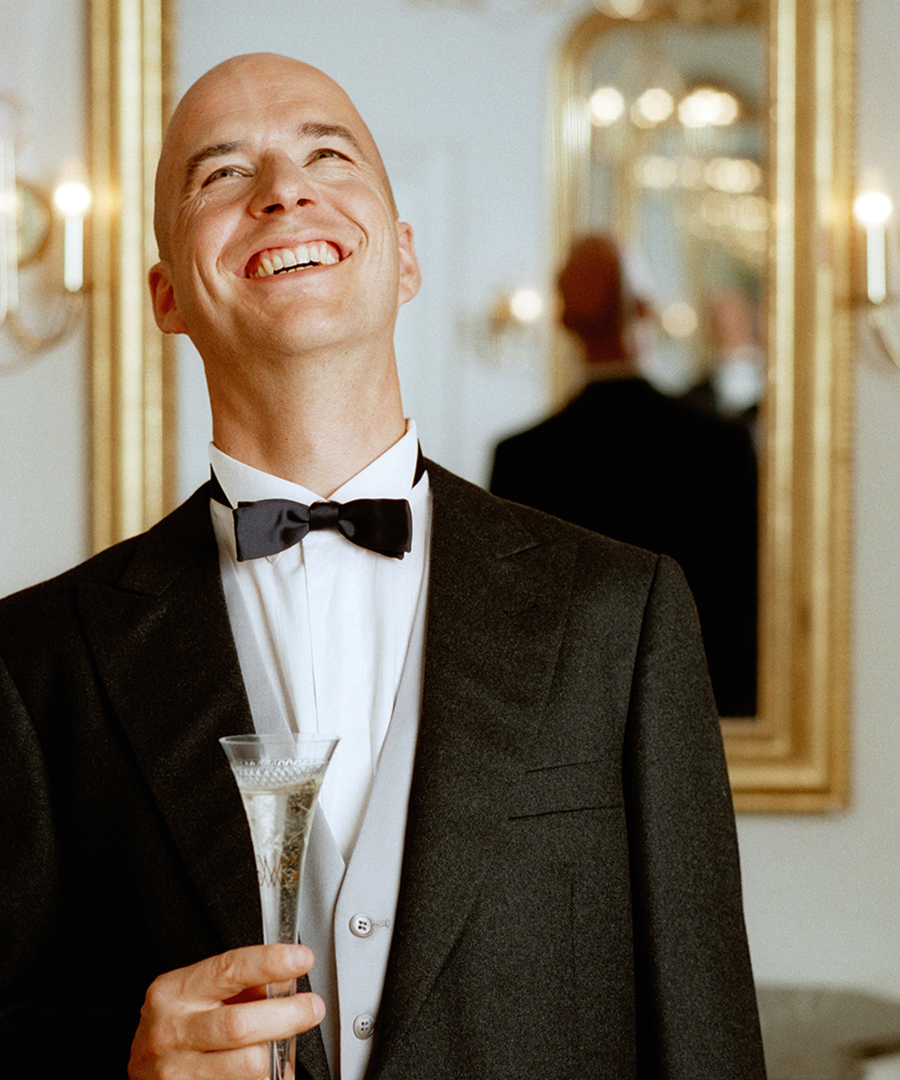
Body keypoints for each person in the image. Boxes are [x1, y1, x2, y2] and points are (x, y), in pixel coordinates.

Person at [0, 55, 766, 1080]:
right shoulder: (37, 661)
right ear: (167, 295)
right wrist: (124, 1058)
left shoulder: (620, 615)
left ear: (405, 257)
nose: (283, 189)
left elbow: (704, 1037)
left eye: (328, 154)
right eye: (221, 175)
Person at [491, 235, 758, 717]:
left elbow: (517, 639)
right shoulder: (720, 446)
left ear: (564, 320)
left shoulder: (522, 459)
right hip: (701, 712)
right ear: (645, 308)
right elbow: (741, 615)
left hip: (570, 728)